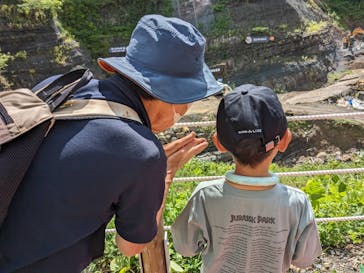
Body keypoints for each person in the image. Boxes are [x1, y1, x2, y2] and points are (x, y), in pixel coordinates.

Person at [0, 14, 222, 273]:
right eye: (188, 98)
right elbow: (131, 247)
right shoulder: (143, 152)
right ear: (167, 95)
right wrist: (165, 175)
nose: (185, 109)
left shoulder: (62, 88)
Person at [171, 84, 322, 273]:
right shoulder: (297, 203)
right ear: (284, 140)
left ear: (218, 143)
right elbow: (304, 260)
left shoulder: (205, 196)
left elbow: (185, 248)